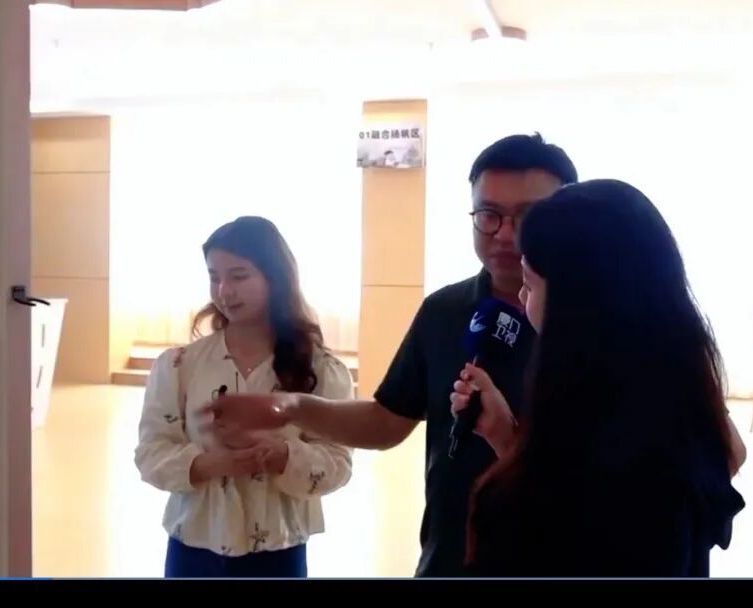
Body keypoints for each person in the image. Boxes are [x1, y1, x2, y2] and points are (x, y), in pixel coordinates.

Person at [203, 133, 582, 577]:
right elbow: (386, 422)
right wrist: (292, 407)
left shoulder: (598, 325)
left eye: (528, 216)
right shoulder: (444, 311)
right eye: (488, 215)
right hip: (451, 558)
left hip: (562, 561)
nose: (505, 234)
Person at [452, 179, 746, 577]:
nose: (521, 298)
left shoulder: (580, 465)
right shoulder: (681, 404)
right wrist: (508, 440)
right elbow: (729, 455)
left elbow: (564, 518)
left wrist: (511, 464)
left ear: (577, 306)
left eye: (530, 284)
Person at [133, 215, 354, 578]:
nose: (224, 291)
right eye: (214, 277)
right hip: (193, 548)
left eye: (239, 276)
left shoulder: (321, 370)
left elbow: (338, 464)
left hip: (279, 551)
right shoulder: (178, 366)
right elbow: (150, 453)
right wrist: (213, 464)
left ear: (275, 277)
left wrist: (280, 454)